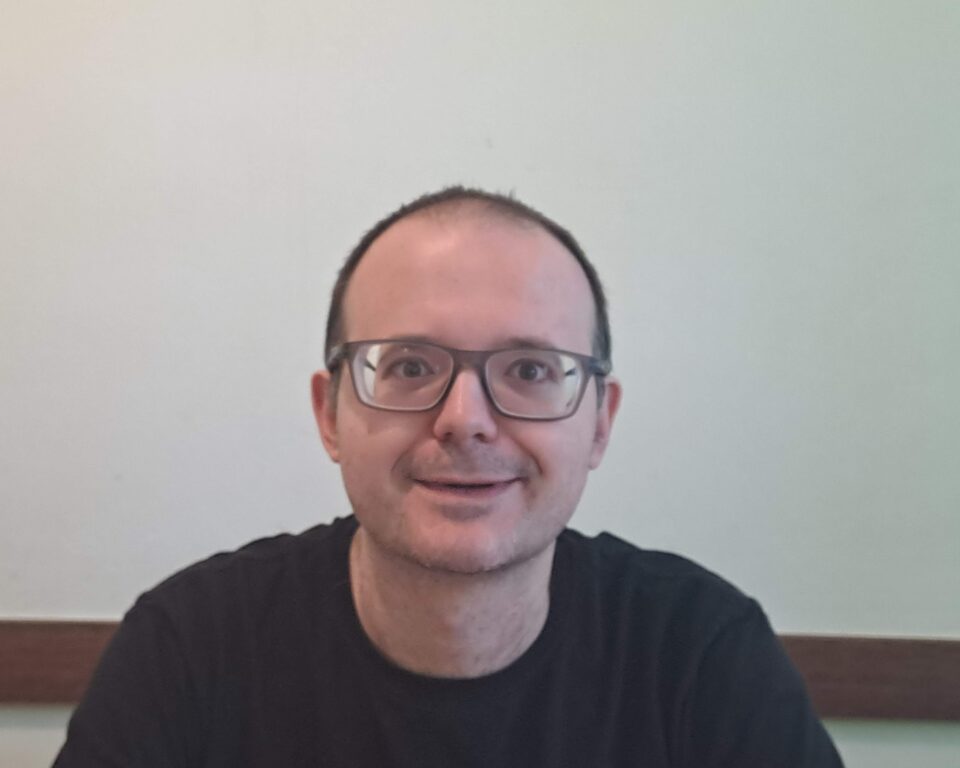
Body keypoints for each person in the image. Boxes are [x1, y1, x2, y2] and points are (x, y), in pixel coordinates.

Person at [53, 187, 843, 767]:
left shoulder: (700, 655)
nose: (465, 418)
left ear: (600, 423)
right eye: (408, 366)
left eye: (530, 369)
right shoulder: (191, 650)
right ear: (330, 415)